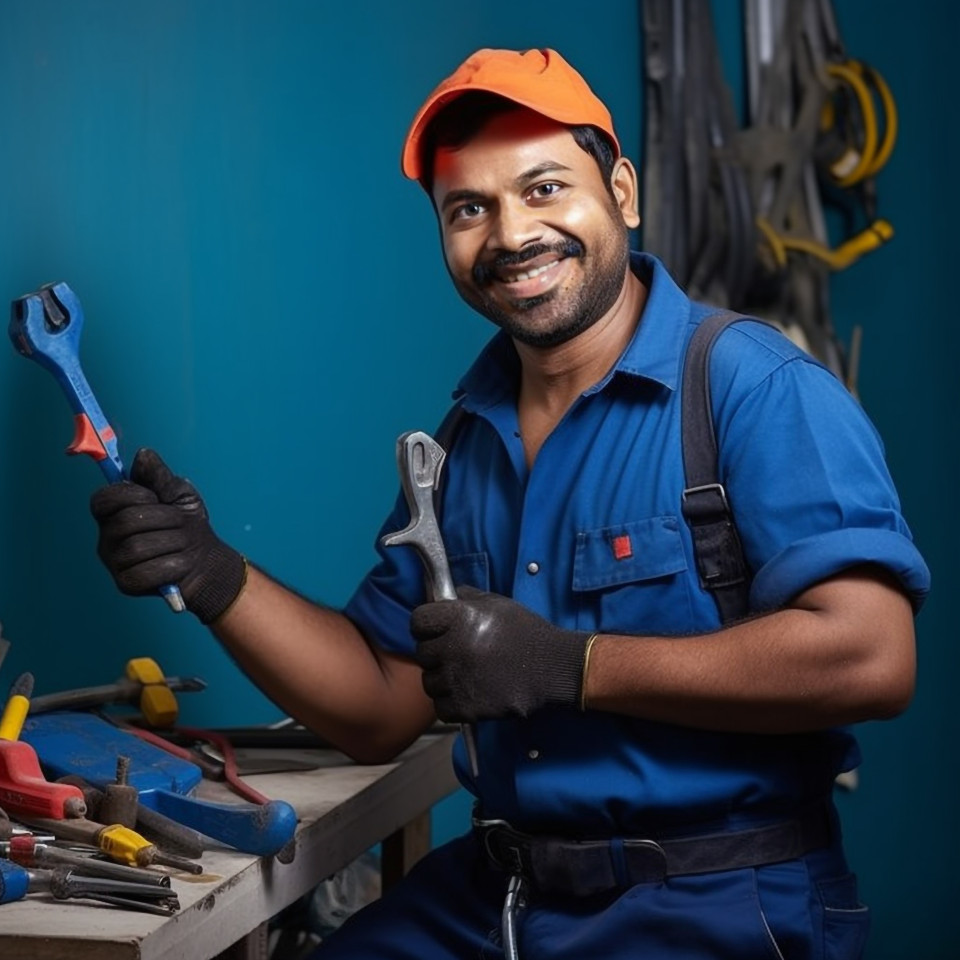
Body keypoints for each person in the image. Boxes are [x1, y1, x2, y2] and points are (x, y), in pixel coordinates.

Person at [91, 48, 929, 959]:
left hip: (716, 903)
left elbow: (873, 658)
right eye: (469, 208)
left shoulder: (751, 390)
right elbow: (379, 703)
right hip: (501, 898)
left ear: (622, 192)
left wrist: (573, 666)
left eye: (543, 189)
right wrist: (216, 577)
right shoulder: (462, 444)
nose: (511, 234)